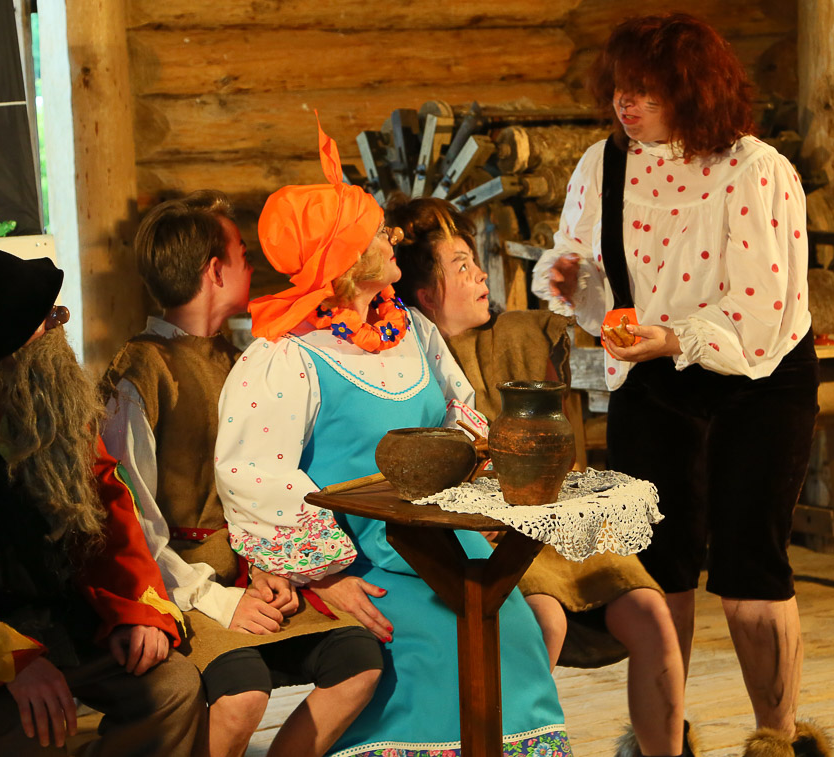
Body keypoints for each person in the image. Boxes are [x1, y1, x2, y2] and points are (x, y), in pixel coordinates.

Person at [214, 122, 573, 757]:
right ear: (346, 259)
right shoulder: (286, 358)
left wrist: (485, 482)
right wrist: (327, 577)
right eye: (378, 232)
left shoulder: (410, 330)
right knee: (442, 641)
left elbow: (460, 419)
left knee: (511, 626)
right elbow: (255, 475)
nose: (393, 237)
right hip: (360, 556)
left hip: (442, 538)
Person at [531, 13, 828, 757]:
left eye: (647, 91)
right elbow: (582, 265)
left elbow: (760, 307)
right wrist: (570, 280)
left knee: (750, 565)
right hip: (653, 375)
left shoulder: (755, 170)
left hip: (758, 376)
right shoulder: (604, 164)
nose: (626, 104)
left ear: (693, 92)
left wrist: (675, 337)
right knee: (657, 565)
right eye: (620, 88)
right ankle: (662, 740)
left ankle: (777, 740)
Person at [388, 195, 692, 757]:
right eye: (461, 266)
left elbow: (578, 324)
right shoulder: (407, 365)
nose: (481, 274)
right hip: (487, 540)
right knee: (542, 618)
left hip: (557, 529)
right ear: (425, 294)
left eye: (475, 261)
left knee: (652, 614)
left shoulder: (515, 334)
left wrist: (576, 289)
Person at [100, 191, 381, 757]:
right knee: (243, 695)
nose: (252, 267)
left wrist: (272, 567)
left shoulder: (238, 358)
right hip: (184, 588)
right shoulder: (143, 372)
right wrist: (219, 600)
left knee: (358, 661)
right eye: (243, 256)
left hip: (252, 575)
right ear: (214, 271)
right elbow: (132, 522)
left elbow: (263, 487)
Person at [0, 235, 204, 756]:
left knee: (173, 687)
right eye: (48, 321)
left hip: (58, 619)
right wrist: (11, 659)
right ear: (1, 345)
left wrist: (136, 610)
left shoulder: (56, 407)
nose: (59, 329)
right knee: (29, 726)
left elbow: (111, 518)